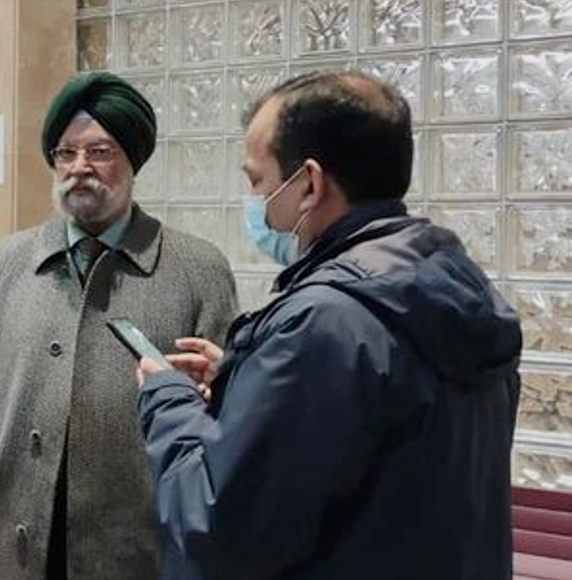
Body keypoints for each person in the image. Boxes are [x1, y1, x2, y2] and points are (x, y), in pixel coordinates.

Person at [137, 71, 523, 580]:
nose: (253, 199)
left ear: (309, 184)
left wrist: (168, 400)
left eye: (257, 180)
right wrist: (245, 379)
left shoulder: (324, 323)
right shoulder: (455, 291)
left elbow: (220, 524)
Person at [0, 72, 237, 580]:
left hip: (139, 547)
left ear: (132, 160)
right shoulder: (6, 262)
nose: (80, 167)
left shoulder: (198, 268)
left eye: (100, 151)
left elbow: (227, 405)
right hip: (13, 540)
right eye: (66, 153)